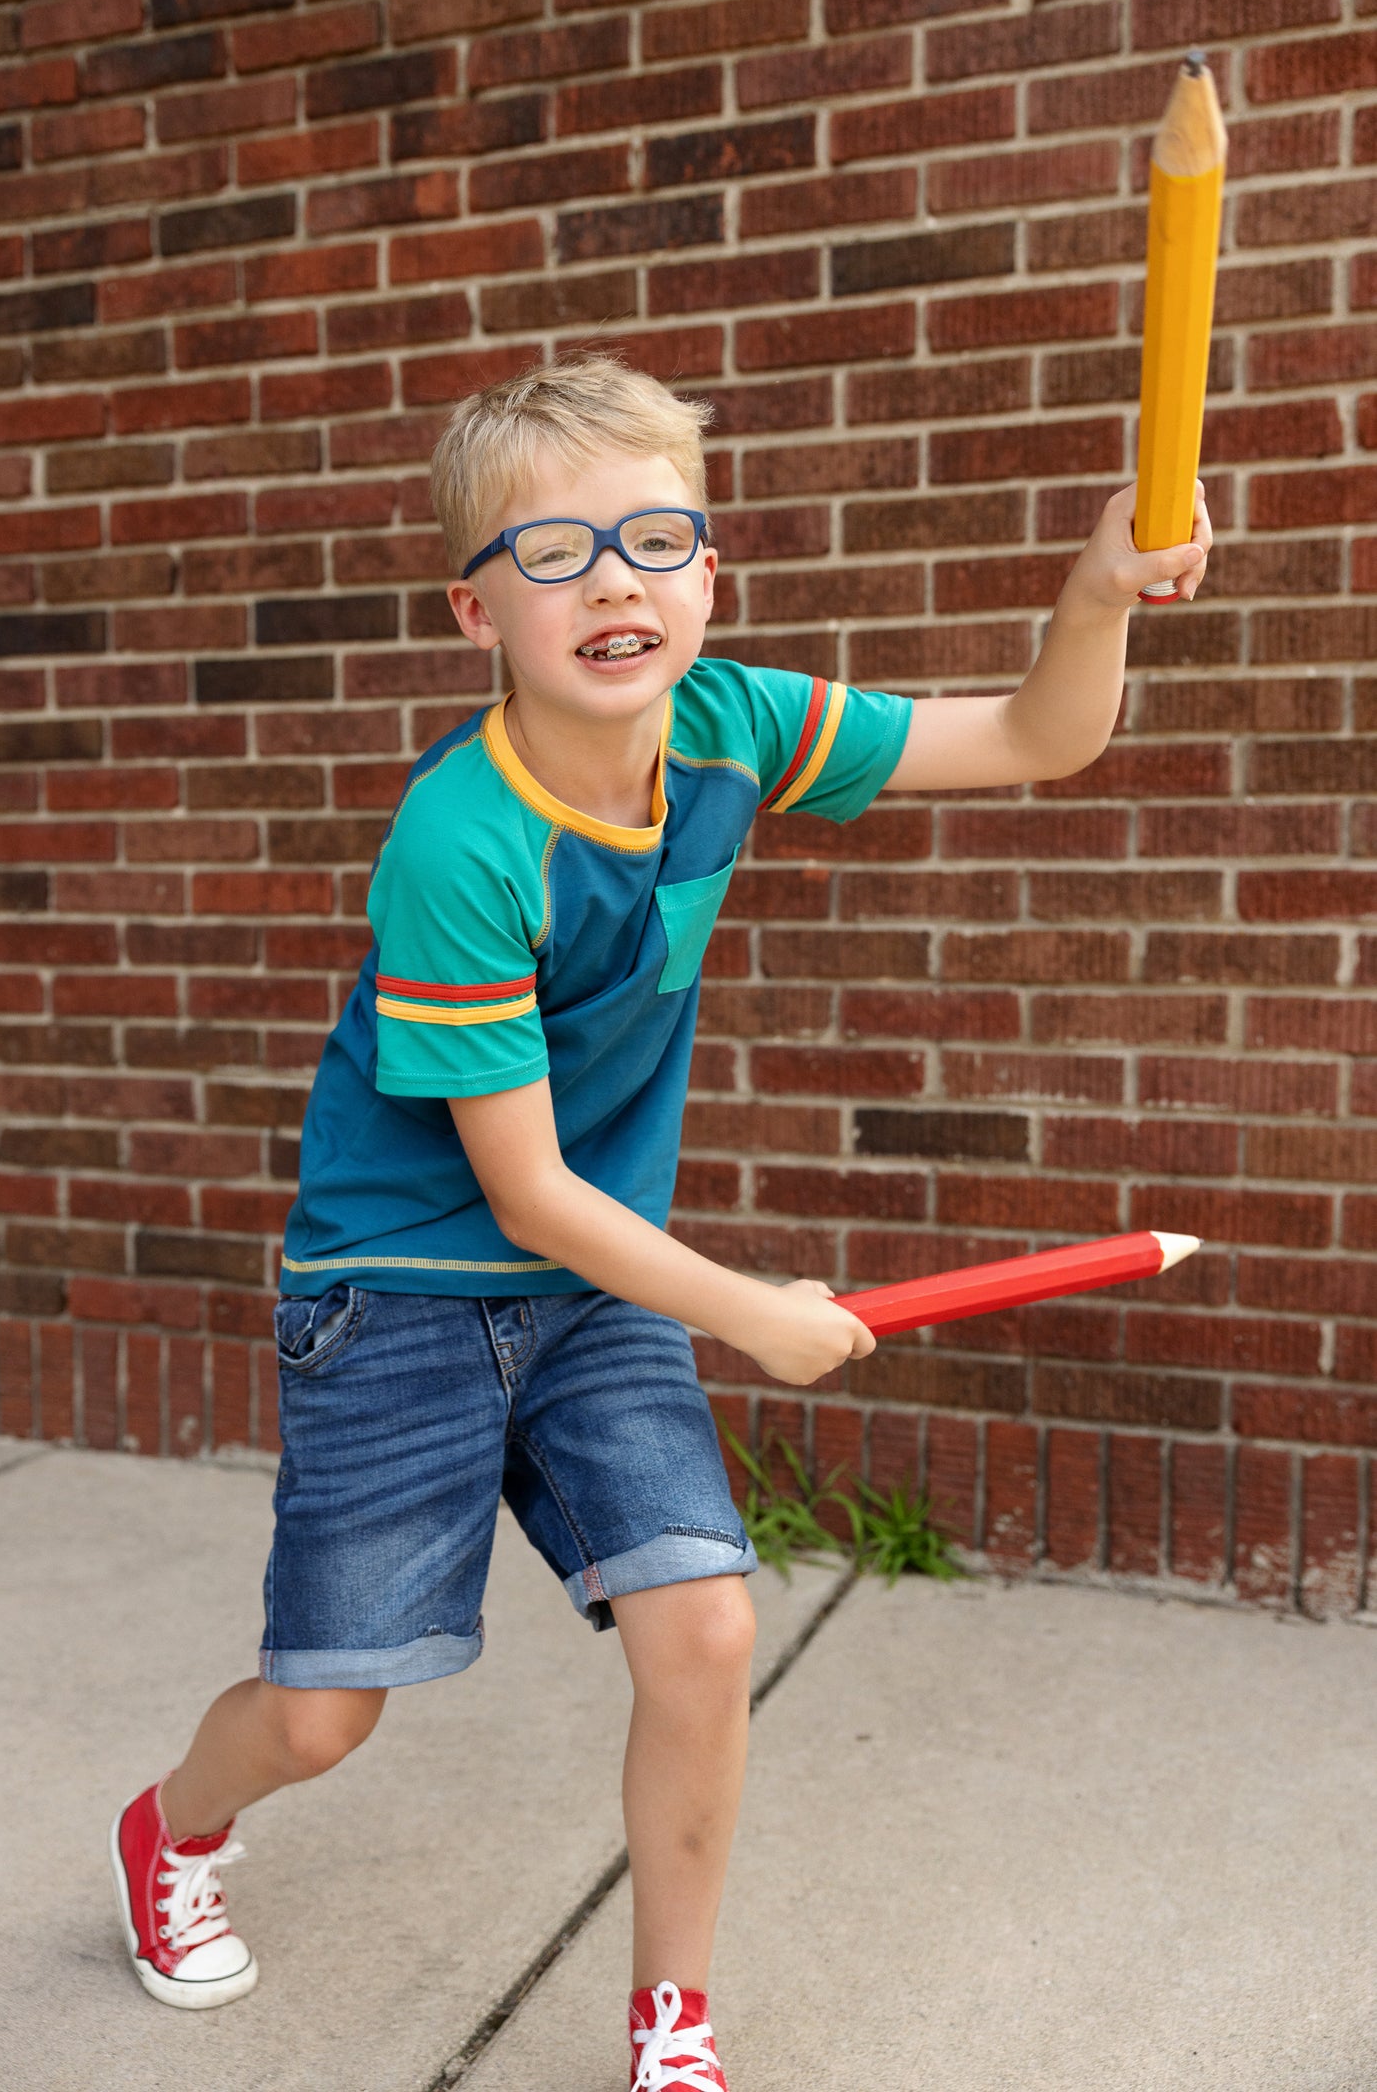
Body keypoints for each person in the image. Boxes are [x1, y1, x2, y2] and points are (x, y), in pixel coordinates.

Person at [109, 356, 1210, 2088]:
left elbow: (1036, 737)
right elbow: (522, 1185)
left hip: (592, 1288)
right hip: (398, 1291)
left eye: (652, 538)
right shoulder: (461, 841)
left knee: (702, 1625)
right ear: (475, 607)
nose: (612, 579)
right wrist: (746, 1307)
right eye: (552, 554)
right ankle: (173, 1828)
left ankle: (669, 2019)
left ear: (709, 569)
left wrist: (1090, 596)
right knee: (325, 1714)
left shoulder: (736, 728)